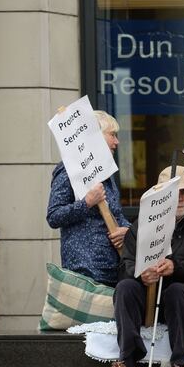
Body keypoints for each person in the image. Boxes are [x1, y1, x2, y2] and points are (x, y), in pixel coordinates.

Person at [96, 166, 184, 367]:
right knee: (125, 287)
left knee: (178, 291)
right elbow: (126, 263)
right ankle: (127, 361)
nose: (180, 198)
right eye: (173, 193)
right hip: (149, 298)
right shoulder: (143, 224)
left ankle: (180, 365)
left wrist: (176, 267)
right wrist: (140, 273)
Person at [47, 110, 130, 287]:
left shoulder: (106, 174)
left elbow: (117, 214)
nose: (117, 142)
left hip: (112, 267)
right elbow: (54, 216)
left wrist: (127, 231)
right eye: (113, 135)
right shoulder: (70, 169)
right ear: (96, 137)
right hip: (84, 270)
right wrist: (86, 203)